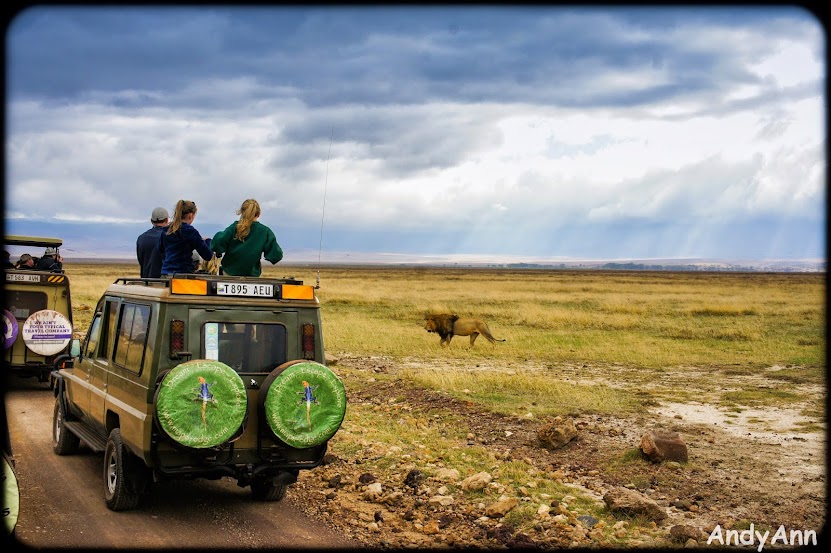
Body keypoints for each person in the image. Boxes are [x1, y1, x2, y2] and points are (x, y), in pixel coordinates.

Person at [211, 199, 283, 277]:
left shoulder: (234, 228)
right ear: (259, 214)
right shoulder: (265, 232)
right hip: (252, 277)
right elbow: (276, 255)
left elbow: (217, 243)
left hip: (229, 274)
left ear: (242, 212)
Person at [159, 200, 213, 276]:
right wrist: (208, 241)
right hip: (183, 276)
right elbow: (207, 256)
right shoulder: (190, 232)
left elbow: (160, 250)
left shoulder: (166, 230)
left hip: (165, 273)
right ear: (191, 216)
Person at [136, 207, 169, 278]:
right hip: (165, 283)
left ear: (151, 221)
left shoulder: (141, 238)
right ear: (166, 220)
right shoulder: (170, 238)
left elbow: (141, 261)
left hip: (146, 283)